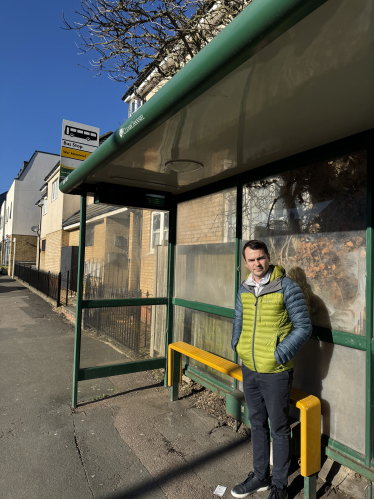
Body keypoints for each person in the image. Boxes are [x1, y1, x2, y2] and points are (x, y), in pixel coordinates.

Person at [231, 240, 312, 499]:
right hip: (250, 368)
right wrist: (238, 345)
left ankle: (279, 486)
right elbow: (238, 320)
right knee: (256, 423)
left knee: (278, 428)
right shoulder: (244, 289)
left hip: (276, 372)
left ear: (269, 257)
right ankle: (260, 476)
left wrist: (279, 354)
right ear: (246, 263)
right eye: (251, 260)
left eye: (261, 258)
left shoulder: (287, 287)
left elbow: (303, 326)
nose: (257, 264)